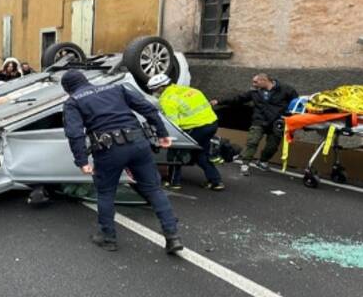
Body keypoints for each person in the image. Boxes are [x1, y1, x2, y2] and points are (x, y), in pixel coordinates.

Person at [61, 69, 183, 254]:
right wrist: (162, 134)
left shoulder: (73, 102)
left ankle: (108, 238)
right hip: (139, 144)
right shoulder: (116, 88)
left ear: (68, 89)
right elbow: (148, 109)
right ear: (85, 80)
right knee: (153, 189)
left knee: (106, 192)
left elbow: (74, 133)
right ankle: (172, 236)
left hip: (109, 150)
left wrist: (82, 161)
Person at [147, 74, 224, 191]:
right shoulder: (191, 90)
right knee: (200, 153)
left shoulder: (167, 99)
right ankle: (216, 181)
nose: (154, 92)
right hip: (212, 123)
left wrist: (163, 136)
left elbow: (173, 125)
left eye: (154, 89)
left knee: (176, 153)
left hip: (196, 127)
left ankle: (174, 182)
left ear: (161, 87)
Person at [211, 73, 298, 176]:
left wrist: (290, 116)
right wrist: (219, 101)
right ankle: (245, 164)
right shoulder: (255, 92)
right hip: (259, 120)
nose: (253, 84)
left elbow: (296, 102)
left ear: (264, 81)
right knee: (252, 142)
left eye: (255, 82)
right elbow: (238, 98)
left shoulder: (285, 89)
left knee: (273, 146)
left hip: (277, 121)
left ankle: (263, 161)